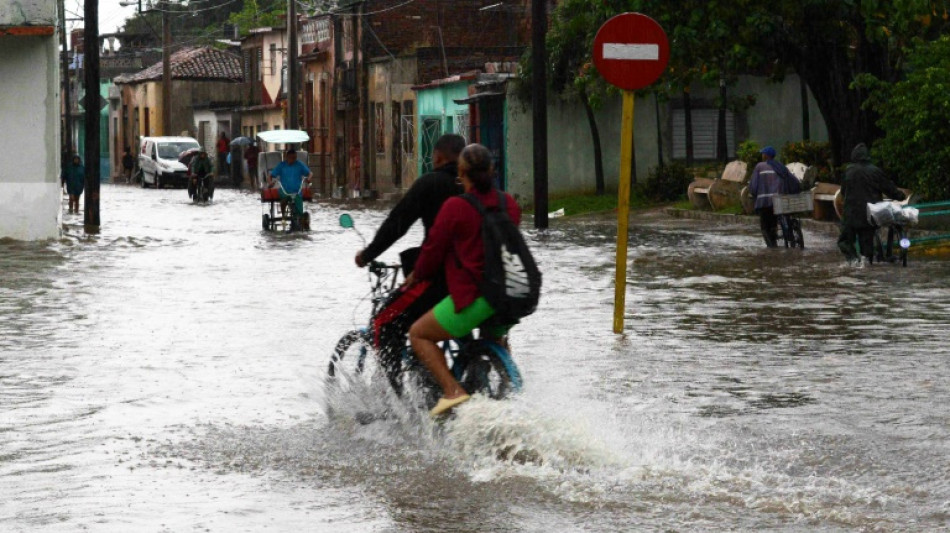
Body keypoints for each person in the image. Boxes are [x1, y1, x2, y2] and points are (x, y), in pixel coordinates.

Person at [407, 143, 521, 417]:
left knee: (418, 334)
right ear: (492, 170)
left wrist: (416, 275)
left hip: (478, 296)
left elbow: (433, 251)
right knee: (491, 336)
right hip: (514, 297)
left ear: (461, 173)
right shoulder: (510, 204)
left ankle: (453, 391)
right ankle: (501, 385)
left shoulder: (456, 207)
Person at [354, 134, 466, 385]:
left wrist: (368, 254)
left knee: (384, 322)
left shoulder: (431, 183)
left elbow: (397, 224)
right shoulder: (477, 188)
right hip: (478, 281)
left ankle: (394, 401)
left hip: (440, 280)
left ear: (436, 157)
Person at [837, 143, 906, 264]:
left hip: (851, 213)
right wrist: (900, 196)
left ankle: (853, 261)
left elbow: (843, 192)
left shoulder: (848, 171)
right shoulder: (875, 171)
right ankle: (866, 261)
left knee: (845, 240)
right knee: (867, 241)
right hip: (870, 213)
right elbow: (889, 188)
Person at [749, 146, 800, 247]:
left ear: (766, 156)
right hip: (780, 200)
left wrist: (753, 194)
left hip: (765, 202)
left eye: (763, 154)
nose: (762, 155)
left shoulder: (759, 166)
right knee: (774, 221)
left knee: (765, 226)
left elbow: (753, 186)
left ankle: (771, 247)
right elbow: (792, 180)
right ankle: (785, 235)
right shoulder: (780, 166)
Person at [267, 148, 312, 226]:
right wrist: (270, 183)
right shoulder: (281, 165)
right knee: (283, 201)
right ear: (287, 157)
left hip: (297, 191)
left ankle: (300, 219)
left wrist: (308, 179)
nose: (293, 160)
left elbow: (310, 173)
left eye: (295, 158)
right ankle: (283, 216)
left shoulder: (299, 164)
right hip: (284, 191)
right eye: (291, 158)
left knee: (299, 207)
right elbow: (270, 175)